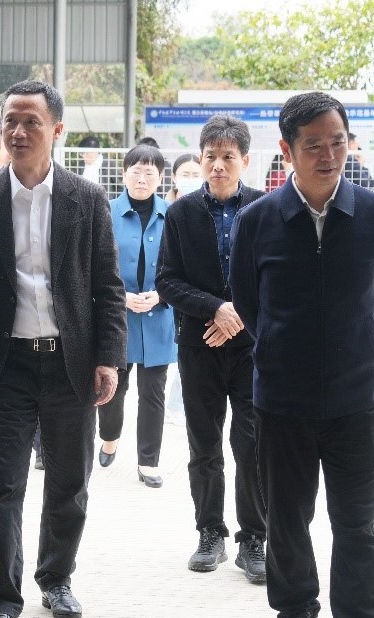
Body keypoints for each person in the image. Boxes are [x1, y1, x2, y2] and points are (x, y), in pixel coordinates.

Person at [229, 91, 374, 618]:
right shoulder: (258, 221)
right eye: (313, 145)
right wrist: (285, 351)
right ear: (287, 150)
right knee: (289, 521)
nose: (328, 155)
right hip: (283, 402)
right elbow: (249, 304)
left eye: (337, 142)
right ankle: (297, 617)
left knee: (356, 527)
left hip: (357, 402)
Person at [0, 80, 126, 618]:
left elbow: (107, 285)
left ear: (56, 130)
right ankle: (1, 604)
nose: (18, 131)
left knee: (69, 482)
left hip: (69, 366)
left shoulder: (86, 199)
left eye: (31, 121)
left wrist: (109, 358)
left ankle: (56, 578)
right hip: (7, 367)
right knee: (2, 485)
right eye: (10, 120)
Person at [156, 114, 267, 583]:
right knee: (203, 445)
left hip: (251, 348)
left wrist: (236, 316)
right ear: (200, 159)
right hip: (199, 344)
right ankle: (209, 533)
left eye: (228, 157)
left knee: (253, 443)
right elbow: (167, 281)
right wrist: (216, 310)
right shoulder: (180, 213)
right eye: (210, 156)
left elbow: (276, 278)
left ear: (245, 160)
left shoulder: (264, 209)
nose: (218, 165)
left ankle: (254, 539)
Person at [96, 145, 177, 488]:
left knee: (153, 393)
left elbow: (182, 266)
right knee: (114, 388)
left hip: (158, 316)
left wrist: (161, 294)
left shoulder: (173, 215)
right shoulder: (105, 211)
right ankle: (109, 436)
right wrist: (122, 298)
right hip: (117, 317)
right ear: (124, 174)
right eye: (136, 171)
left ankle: (148, 461)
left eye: (150, 173)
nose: (142, 179)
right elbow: (95, 264)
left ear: (160, 178)